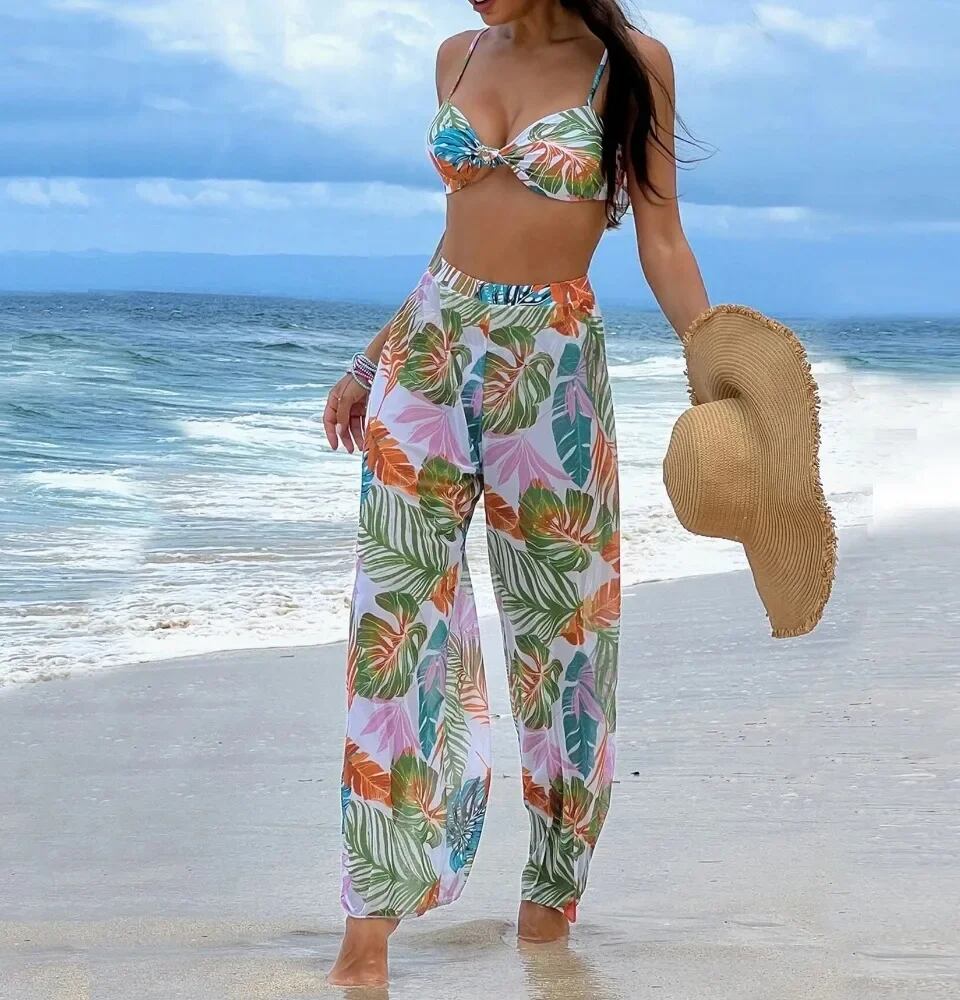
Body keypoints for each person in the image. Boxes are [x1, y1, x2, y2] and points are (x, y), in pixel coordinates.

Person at [323, 0, 709, 987]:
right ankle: (368, 924)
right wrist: (369, 361)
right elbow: (455, 245)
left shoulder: (631, 65)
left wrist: (712, 361)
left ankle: (549, 901)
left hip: (551, 364)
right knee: (391, 621)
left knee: (563, 640)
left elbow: (661, 239)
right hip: (428, 352)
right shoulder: (457, 54)